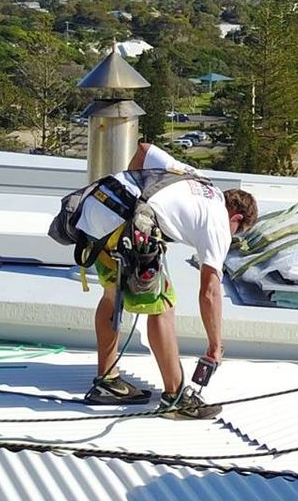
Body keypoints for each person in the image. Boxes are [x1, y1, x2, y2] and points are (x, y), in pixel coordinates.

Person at [69, 149, 258, 416]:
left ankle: (107, 383)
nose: (232, 236)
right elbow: (210, 292)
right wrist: (215, 346)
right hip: (124, 224)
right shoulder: (219, 222)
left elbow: (144, 149)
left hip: (95, 208)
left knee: (112, 295)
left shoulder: (198, 179)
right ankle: (175, 397)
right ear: (236, 217)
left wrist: (135, 196)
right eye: (237, 231)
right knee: (163, 307)